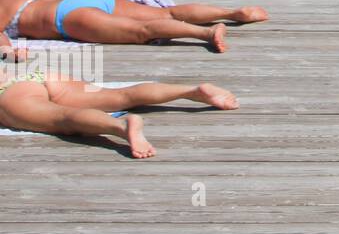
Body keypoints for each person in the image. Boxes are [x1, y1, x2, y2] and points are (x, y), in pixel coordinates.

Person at [0, 65, 238, 159]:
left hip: (8, 92)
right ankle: (191, 90)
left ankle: (121, 127)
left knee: (62, 117)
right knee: (119, 95)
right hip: (35, 74)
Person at [0, 0, 269, 56]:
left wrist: (12, 54)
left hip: (67, 19)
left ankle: (206, 32)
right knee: (167, 13)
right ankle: (233, 13)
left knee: (142, 33)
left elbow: (3, 43)